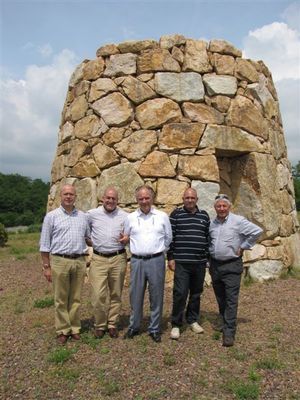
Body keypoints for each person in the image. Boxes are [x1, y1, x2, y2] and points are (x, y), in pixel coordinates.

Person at [209, 194, 263, 347]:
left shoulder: (238, 221)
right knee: (220, 297)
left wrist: (244, 245)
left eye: (224, 206)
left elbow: (257, 231)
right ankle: (223, 319)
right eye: (218, 206)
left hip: (232, 265)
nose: (221, 209)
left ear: (229, 207)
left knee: (231, 300)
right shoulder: (212, 223)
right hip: (215, 265)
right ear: (215, 208)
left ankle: (229, 332)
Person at [40, 184, 90, 345]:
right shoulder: (51, 217)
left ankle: (74, 328)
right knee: (60, 298)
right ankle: (63, 329)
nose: (68, 197)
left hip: (79, 260)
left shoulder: (83, 216)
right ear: (61, 196)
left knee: (75, 297)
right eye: (66, 194)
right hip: (60, 260)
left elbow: (88, 238)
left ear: (76, 197)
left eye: (71, 194)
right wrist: (46, 267)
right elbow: (44, 244)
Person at [122, 185, 172, 343]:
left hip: (156, 260)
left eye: (147, 198)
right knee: (135, 295)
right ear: (136, 199)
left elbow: (168, 238)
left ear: (152, 198)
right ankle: (134, 326)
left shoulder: (162, 216)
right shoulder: (130, 218)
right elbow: (126, 237)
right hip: (137, 260)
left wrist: (159, 251)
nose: (144, 201)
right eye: (141, 198)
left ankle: (155, 328)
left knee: (156, 295)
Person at [167, 188, 210, 340]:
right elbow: (170, 238)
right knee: (180, 293)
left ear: (197, 199)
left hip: (199, 263)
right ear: (183, 199)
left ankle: (192, 320)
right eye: (187, 197)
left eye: (192, 198)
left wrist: (207, 259)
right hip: (182, 263)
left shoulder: (204, 216)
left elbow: (207, 238)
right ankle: (176, 324)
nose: (190, 200)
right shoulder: (176, 215)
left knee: (196, 293)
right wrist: (170, 257)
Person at [87, 187, 128, 339]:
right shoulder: (91, 215)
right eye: (108, 198)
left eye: (114, 198)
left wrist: (127, 239)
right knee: (98, 295)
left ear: (117, 200)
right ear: (102, 198)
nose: (110, 201)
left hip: (118, 258)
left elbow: (130, 235)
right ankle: (99, 324)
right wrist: (91, 241)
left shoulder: (125, 216)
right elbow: (84, 232)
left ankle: (112, 324)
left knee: (116, 293)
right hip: (99, 259)